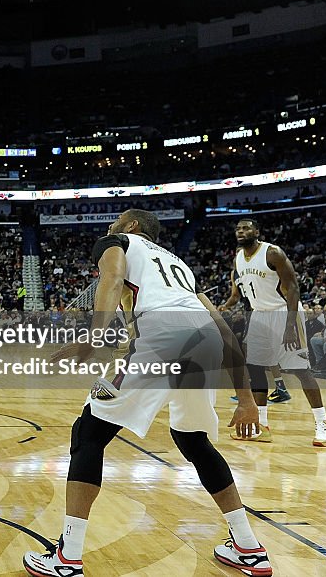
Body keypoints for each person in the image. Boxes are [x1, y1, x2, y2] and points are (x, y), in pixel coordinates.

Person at [24, 209, 271, 577]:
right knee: (193, 441)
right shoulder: (180, 267)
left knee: (88, 434)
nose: (109, 226)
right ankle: (249, 547)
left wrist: (92, 338)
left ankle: (67, 557)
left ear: (132, 226)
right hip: (204, 343)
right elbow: (223, 329)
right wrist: (247, 399)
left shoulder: (117, 242)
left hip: (162, 334)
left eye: (117, 220)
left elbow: (111, 277)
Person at [219, 218, 326, 447]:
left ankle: (323, 424)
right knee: (257, 370)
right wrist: (225, 307)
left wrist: (290, 326)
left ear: (257, 231)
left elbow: (293, 288)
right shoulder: (238, 259)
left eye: (246, 227)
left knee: (300, 369)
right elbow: (239, 294)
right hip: (260, 314)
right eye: (238, 228)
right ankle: (261, 426)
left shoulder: (272, 253)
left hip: (284, 312)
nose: (241, 231)